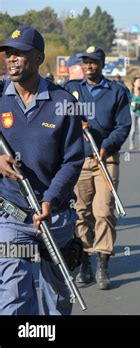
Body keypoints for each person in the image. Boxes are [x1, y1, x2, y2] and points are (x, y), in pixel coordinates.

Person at [0, 26, 84, 315]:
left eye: (20, 53)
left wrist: (50, 199)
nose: (11, 59)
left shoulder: (64, 103)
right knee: (12, 297)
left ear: (38, 58)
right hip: (11, 216)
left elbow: (73, 160)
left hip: (54, 216)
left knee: (57, 300)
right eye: (8, 53)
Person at [64, 46, 131, 290]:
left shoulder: (117, 91)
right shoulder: (70, 90)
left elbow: (123, 126)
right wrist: (74, 121)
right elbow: (57, 120)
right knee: (81, 213)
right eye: (85, 62)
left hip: (106, 159)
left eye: (94, 62)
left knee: (104, 211)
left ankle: (103, 263)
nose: (89, 66)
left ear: (102, 64)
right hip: (78, 162)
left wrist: (108, 145)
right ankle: (85, 261)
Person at [128, 76, 140, 151]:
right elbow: (127, 101)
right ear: (134, 83)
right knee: (133, 130)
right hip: (133, 112)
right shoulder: (130, 91)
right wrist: (131, 103)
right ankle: (131, 143)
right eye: (138, 81)